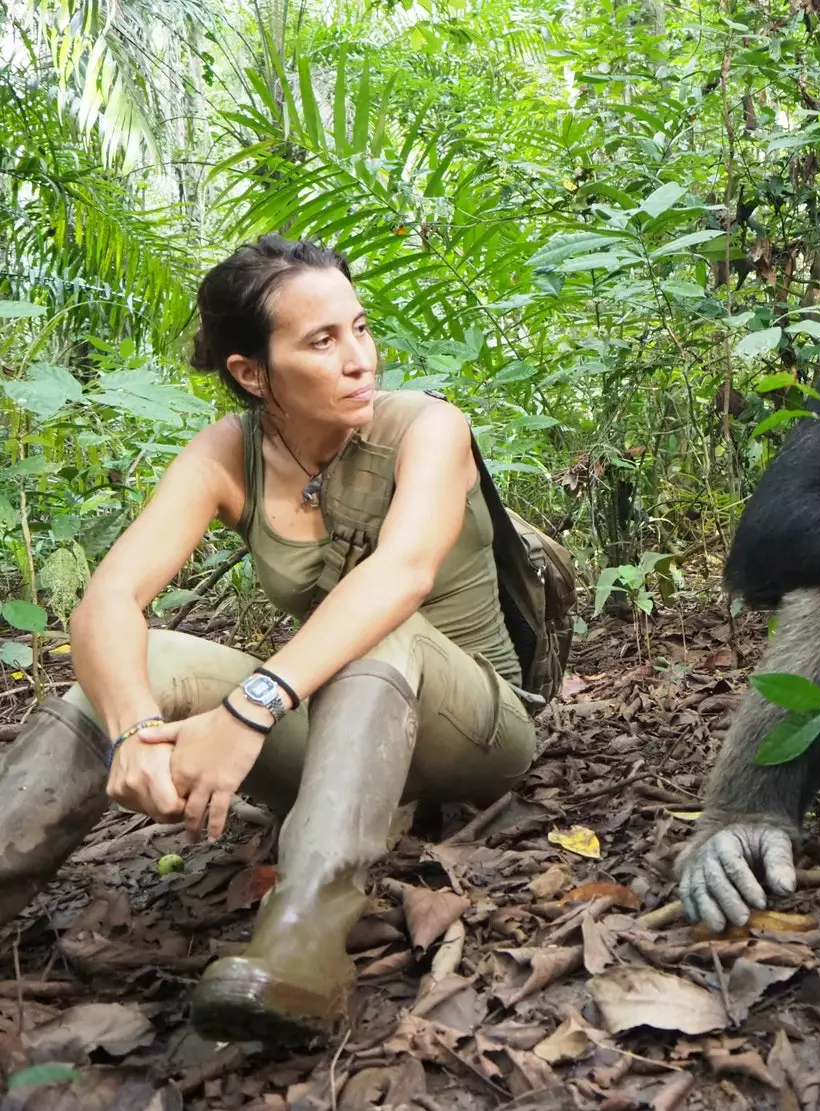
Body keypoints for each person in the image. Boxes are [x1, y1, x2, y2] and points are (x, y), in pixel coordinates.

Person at [0, 236, 548, 1044]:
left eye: (359, 329)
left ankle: (301, 944)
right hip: (341, 739)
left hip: (474, 723)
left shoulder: (431, 427)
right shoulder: (231, 453)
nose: (360, 358)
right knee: (141, 658)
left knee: (377, 623)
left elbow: (400, 576)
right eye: (322, 341)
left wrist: (251, 706)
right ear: (252, 373)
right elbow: (107, 601)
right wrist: (135, 730)